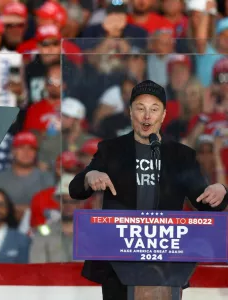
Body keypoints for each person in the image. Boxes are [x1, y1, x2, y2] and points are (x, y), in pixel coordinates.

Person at [68, 80, 228, 300]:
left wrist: (221, 190)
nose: (146, 116)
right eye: (140, 108)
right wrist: (90, 176)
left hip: (166, 264)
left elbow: (205, 201)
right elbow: (76, 189)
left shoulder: (181, 155)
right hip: (118, 260)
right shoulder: (111, 150)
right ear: (130, 112)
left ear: (163, 116)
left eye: (154, 110)